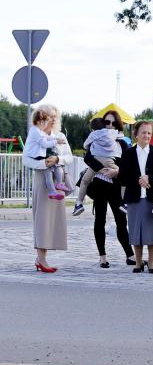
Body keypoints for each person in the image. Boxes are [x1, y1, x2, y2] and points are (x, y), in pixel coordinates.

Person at [83, 109, 135, 268]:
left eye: (114, 122)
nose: (110, 125)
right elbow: (87, 158)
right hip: (99, 185)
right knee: (100, 220)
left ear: (118, 125)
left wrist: (116, 171)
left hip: (116, 185)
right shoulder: (96, 139)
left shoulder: (122, 143)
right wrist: (101, 168)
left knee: (121, 220)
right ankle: (102, 257)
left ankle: (130, 255)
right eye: (107, 122)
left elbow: (128, 165)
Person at [119, 120, 153, 273]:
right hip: (134, 198)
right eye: (143, 132)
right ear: (136, 135)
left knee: (152, 231)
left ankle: (152, 262)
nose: (147, 135)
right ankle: (138, 262)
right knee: (136, 231)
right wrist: (138, 180)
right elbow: (122, 177)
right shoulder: (127, 153)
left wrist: (150, 178)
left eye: (149, 133)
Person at [23, 105, 68, 272]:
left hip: (57, 181)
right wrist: (43, 163)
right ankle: (41, 259)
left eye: (55, 116)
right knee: (42, 220)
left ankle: (41, 258)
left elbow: (69, 157)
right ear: (41, 118)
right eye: (50, 116)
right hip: (41, 179)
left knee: (52, 222)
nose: (53, 119)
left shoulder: (60, 136)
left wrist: (58, 159)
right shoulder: (35, 134)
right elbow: (26, 159)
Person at [73, 118, 121, 215]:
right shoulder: (112, 133)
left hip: (96, 161)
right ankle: (125, 202)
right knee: (123, 176)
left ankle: (79, 203)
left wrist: (92, 145)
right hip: (109, 160)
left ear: (92, 128)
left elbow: (85, 146)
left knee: (85, 180)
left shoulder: (93, 134)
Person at [24, 108, 69, 200]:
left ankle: (58, 184)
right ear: (40, 122)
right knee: (48, 173)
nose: (46, 125)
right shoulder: (36, 132)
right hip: (37, 157)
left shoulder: (37, 130)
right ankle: (53, 190)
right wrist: (56, 142)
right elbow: (44, 143)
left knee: (55, 165)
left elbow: (47, 138)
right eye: (45, 122)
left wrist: (56, 139)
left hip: (39, 156)